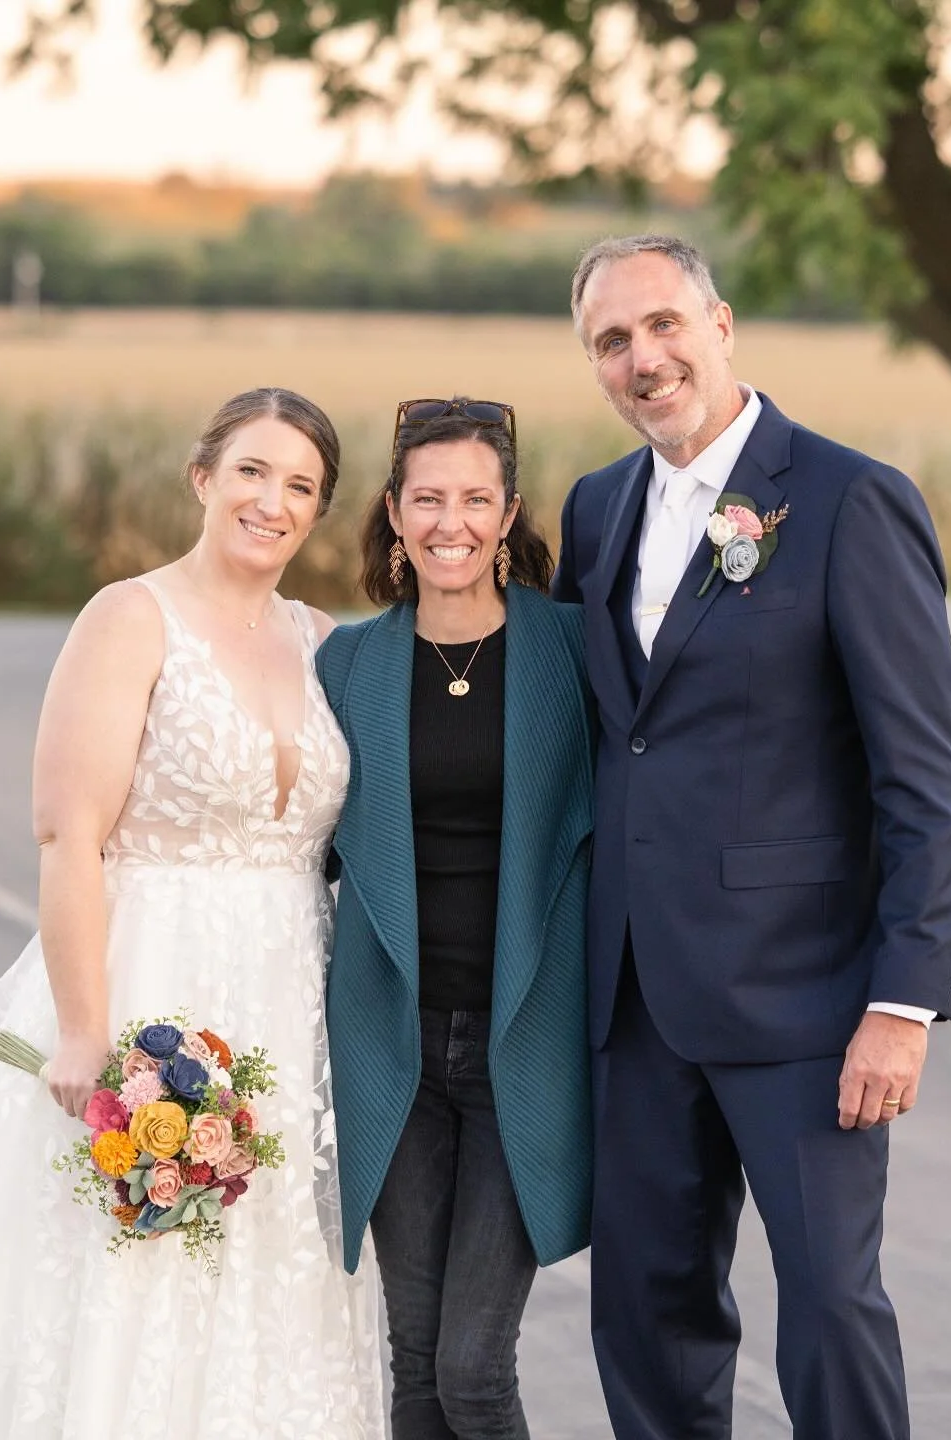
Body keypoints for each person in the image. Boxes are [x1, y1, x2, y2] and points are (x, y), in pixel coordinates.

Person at [553, 236, 951, 1439]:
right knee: (645, 1314)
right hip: (635, 1002)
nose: (645, 358)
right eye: (613, 342)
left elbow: (927, 780)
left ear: (721, 324)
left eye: (665, 325)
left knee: (833, 1312)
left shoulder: (848, 498)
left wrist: (902, 1004)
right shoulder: (597, 510)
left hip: (807, 1003)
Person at [0, 388, 384, 1439]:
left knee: (280, 1286)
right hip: (152, 992)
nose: (272, 501)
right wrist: (90, 1030)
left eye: (301, 487)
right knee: (139, 1283)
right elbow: (68, 836)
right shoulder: (130, 619)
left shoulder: (327, 642)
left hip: (290, 1008)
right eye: (252, 472)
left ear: (319, 513)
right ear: (204, 477)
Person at [316, 398, 594, 1440]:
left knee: (476, 1368)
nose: (451, 522)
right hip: (395, 1050)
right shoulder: (348, 665)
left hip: (527, 1043)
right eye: (427, 498)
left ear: (509, 510)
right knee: (418, 1368)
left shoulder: (572, 651)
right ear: (393, 513)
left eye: (476, 498)